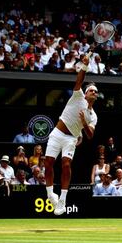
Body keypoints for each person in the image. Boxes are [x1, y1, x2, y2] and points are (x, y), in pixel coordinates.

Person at [45, 54, 98, 215]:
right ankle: (50, 195)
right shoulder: (77, 96)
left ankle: (62, 199)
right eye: (91, 90)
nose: (94, 93)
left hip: (71, 139)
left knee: (66, 165)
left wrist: (83, 122)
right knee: (48, 163)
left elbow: (90, 135)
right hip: (57, 133)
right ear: (86, 92)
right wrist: (85, 66)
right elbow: (80, 80)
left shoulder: (93, 116)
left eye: (96, 92)